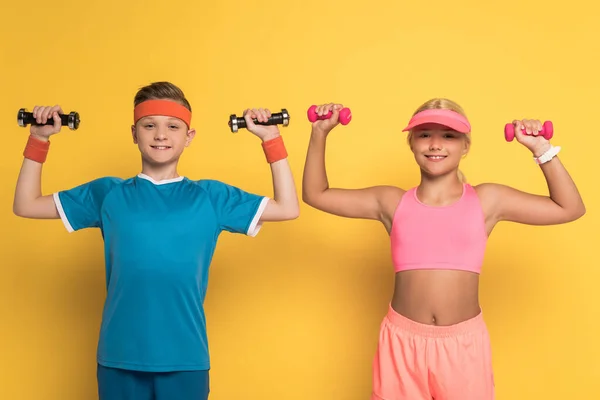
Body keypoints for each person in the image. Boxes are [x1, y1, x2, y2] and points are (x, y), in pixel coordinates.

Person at [13, 81, 300, 400]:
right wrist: (38, 140)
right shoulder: (108, 193)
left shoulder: (210, 197)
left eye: (173, 126)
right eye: (149, 125)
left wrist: (272, 139)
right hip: (118, 357)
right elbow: (26, 204)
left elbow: (287, 208)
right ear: (134, 134)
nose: (161, 135)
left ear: (189, 137)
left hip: (185, 359)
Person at [301, 98, 585, 400]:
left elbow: (569, 208)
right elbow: (316, 194)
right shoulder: (391, 202)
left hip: (463, 347)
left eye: (448, 135)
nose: (435, 143)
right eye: (424, 134)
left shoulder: (487, 200)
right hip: (401, 344)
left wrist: (541, 149)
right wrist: (320, 132)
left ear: (465, 146)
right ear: (411, 144)